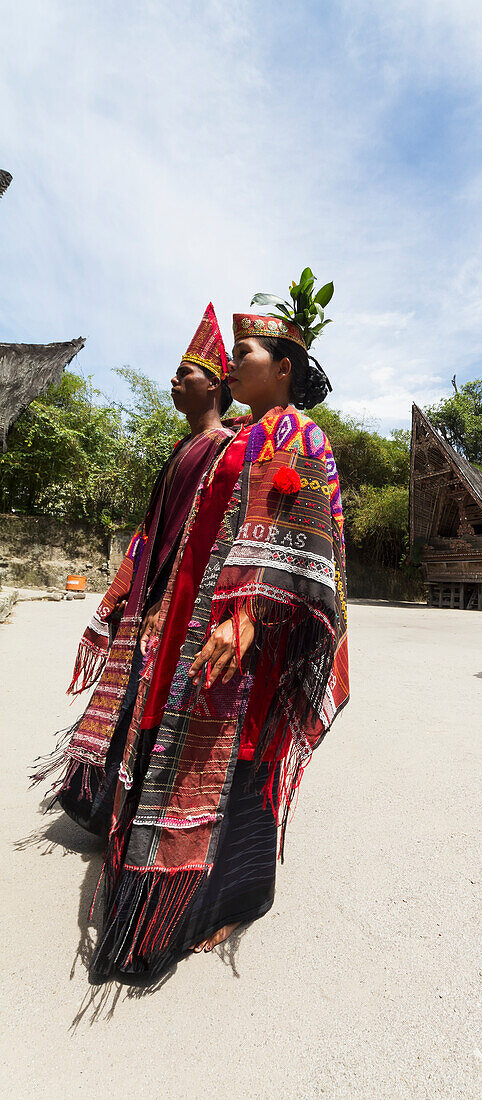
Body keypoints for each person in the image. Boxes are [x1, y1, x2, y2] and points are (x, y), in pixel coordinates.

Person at [41, 278, 349, 977]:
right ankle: (173, 889)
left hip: (243, 633)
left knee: (231, 761)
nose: (232, 367)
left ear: (284, 369)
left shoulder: (298, 435)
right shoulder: (244, 435)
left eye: (243, 355)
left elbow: (295, 538)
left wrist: (246, 617)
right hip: (191, 621)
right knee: (185, 752)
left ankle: (226, 897)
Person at [34, 304, 235, 835]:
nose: (173, 379)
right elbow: (155, 531)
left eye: (185, 373)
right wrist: (132, 591)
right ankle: (106, 803)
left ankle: (144, 812)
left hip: (184, 599)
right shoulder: (183, 448)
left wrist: (166, 602)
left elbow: (200, 539)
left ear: (214, 386)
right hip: (151, 593)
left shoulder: (225, 450)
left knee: (160, 701)